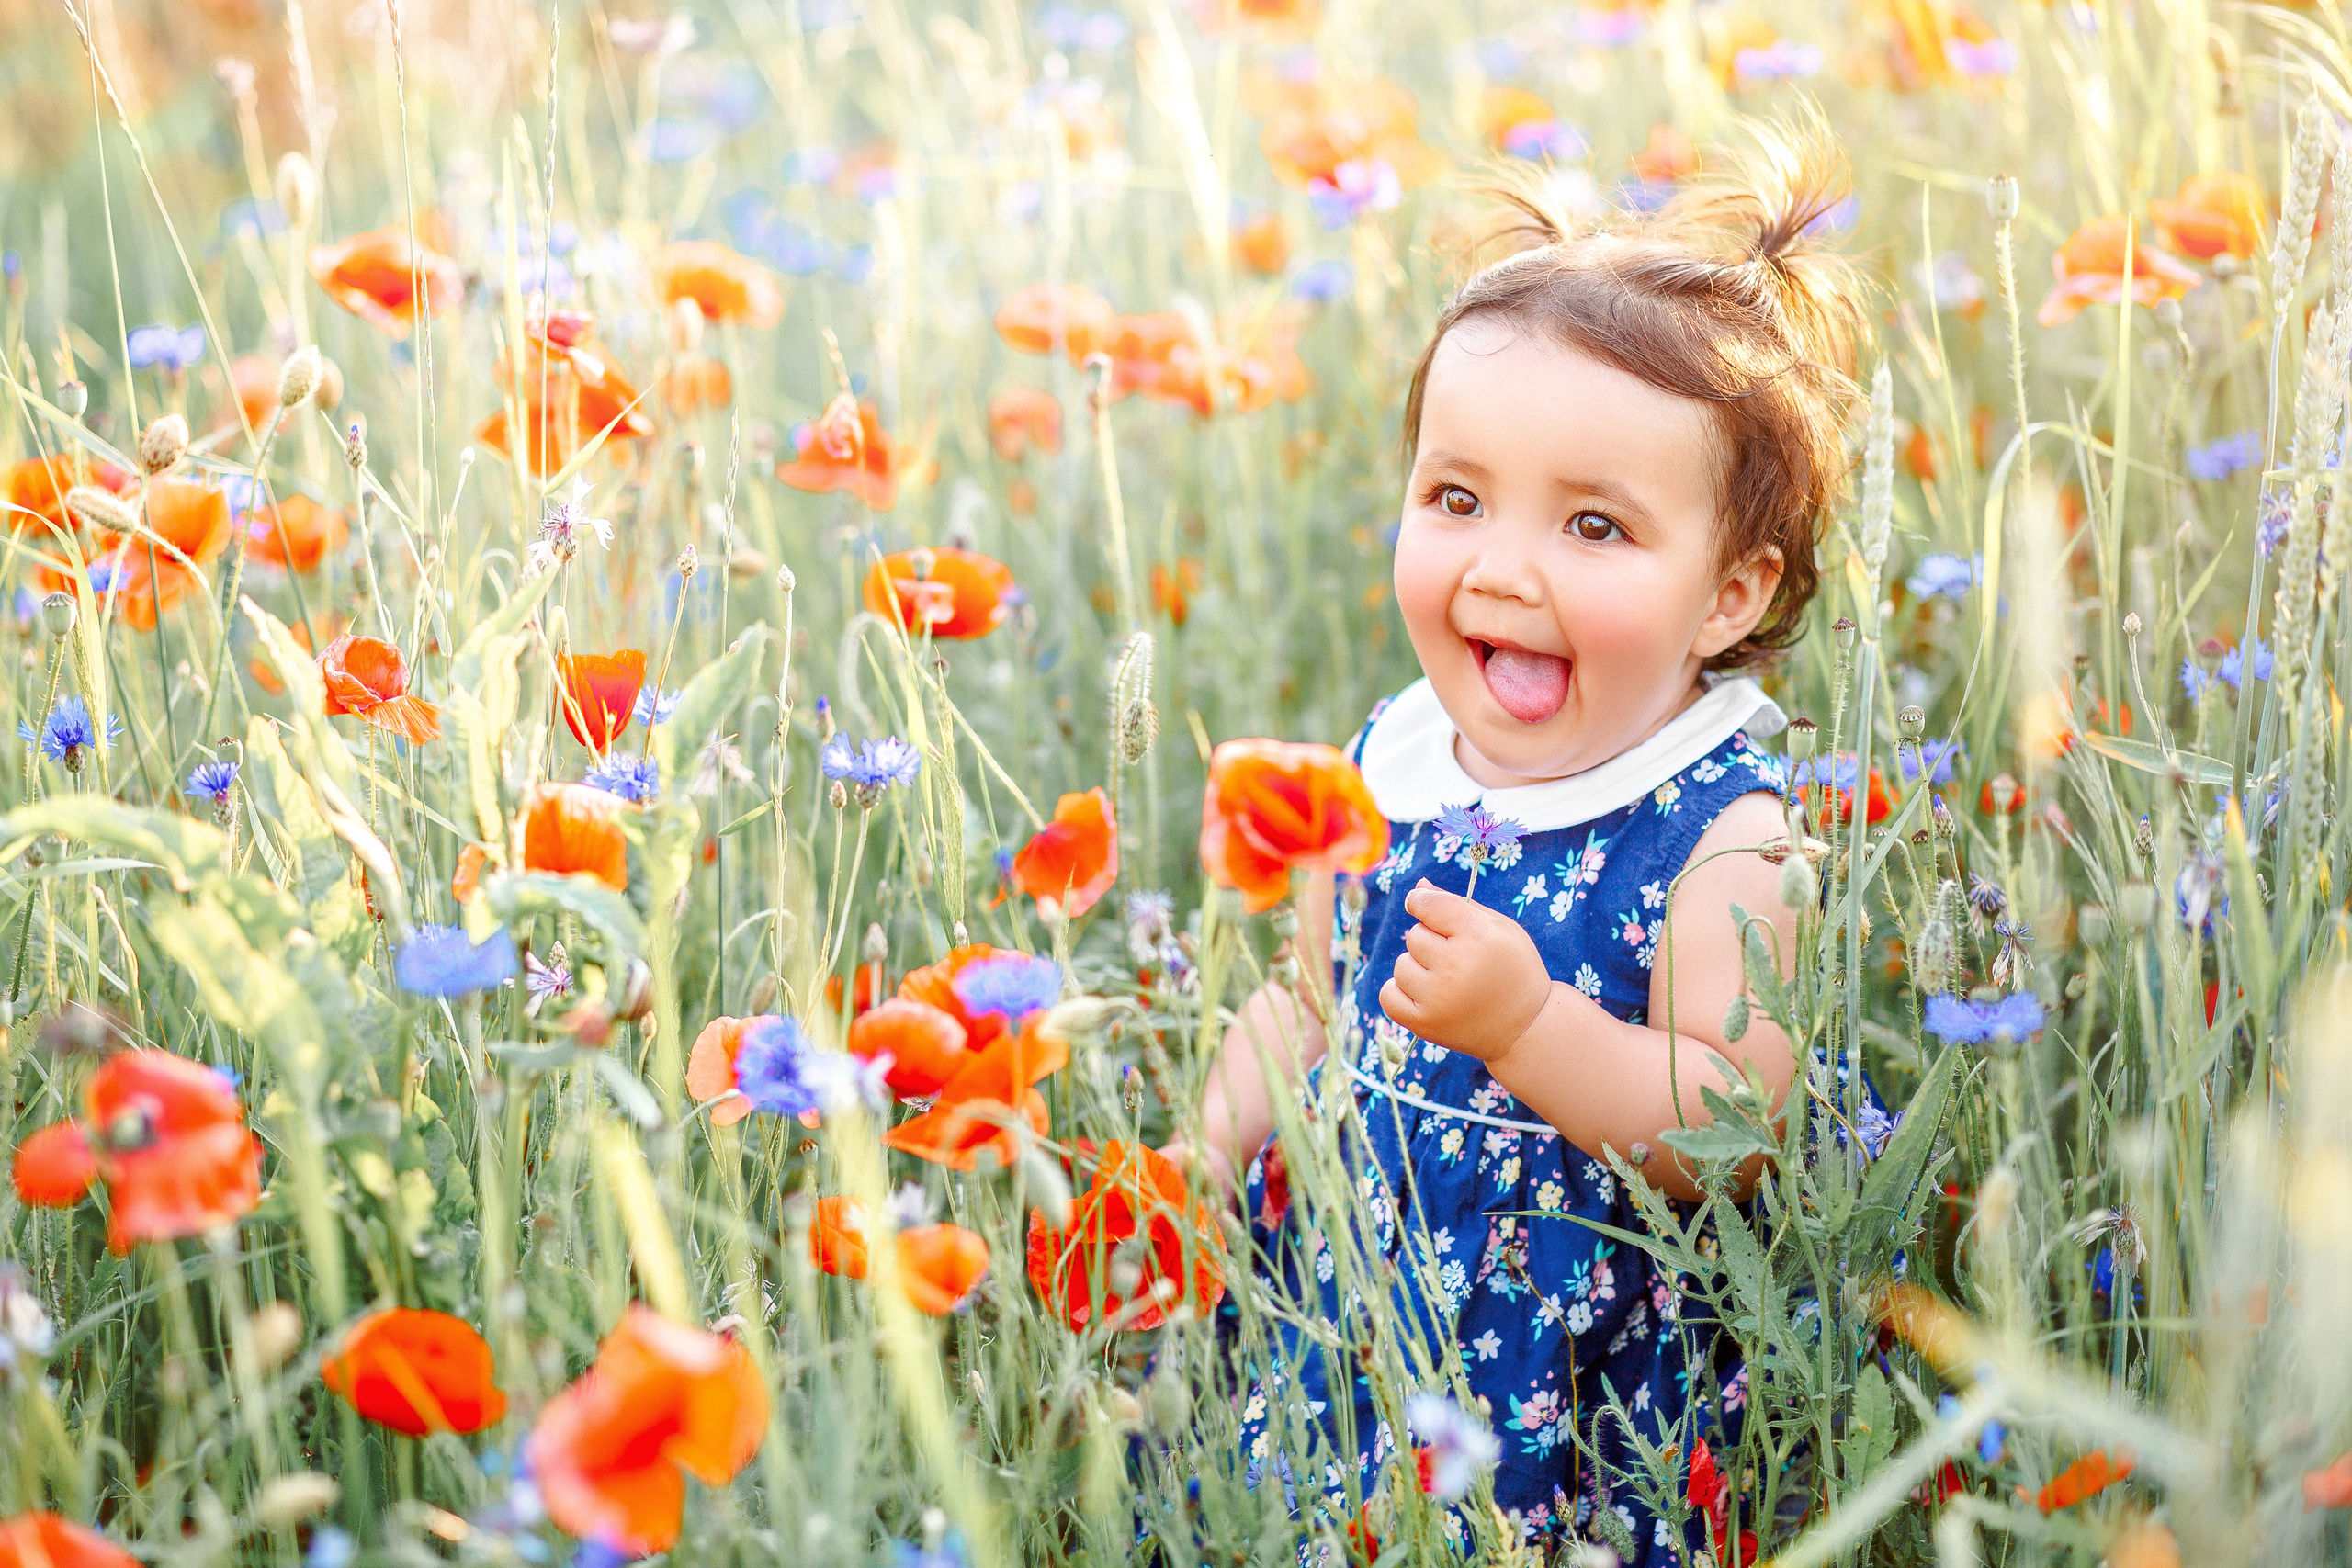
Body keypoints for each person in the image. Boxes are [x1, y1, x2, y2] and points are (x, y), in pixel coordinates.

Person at [1173, 119, 1875, 1562]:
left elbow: (1730, 1129)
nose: (1503, 567)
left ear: (1731, 596)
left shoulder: (1723, 837)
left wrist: (1529, 1026)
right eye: (1457, 499)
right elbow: (1314, 998)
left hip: (1574, 1364)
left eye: (1597, 528)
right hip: (1373, 1293)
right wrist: (1207, 1139)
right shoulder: (1393, 758)